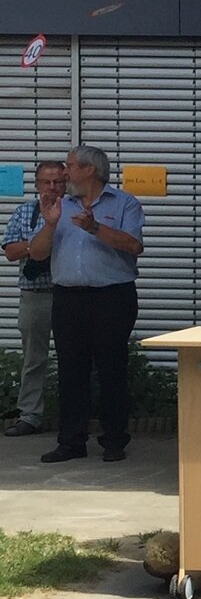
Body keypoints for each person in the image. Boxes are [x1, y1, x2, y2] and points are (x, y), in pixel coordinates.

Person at [25, 145, 144, 464]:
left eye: (70, 166)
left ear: (90, 170)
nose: (65, 172)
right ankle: (71, 441)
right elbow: (36, 253)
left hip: (112, 297)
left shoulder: (125, 203)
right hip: (67, 298)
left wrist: (94, 227)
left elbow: (134, 245)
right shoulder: (58, 207)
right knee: (70, 370)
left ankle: (115, 440)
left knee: (111, 369)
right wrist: (50, 224)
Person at [1, 161, 65, 439]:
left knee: (75, 358)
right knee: (33, 359)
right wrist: (37, 246)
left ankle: (75, 415)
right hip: (35, 294)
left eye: (58, 182)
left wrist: (32, 245)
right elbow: (10, 251)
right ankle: (30, 415)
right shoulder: (25, 211)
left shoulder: (74, 210)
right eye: (46, 182)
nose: (52, 188)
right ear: (37, 184)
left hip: (68, 294)